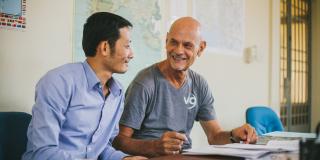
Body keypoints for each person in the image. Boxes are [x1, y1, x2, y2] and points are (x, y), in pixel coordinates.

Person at [113, 17, 258, 157]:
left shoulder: (199, 84)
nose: (178, 51)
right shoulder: (145, 83)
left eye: (187, 45)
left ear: (201, 48)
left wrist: (234, 135)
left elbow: (214, 136)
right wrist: (154, 146)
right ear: (166, 41)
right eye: (173, 42)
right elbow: (119, 141)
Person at [22, 12, 146, 160]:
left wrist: (124, 158)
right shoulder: (58, 82)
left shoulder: (117, 92)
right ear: (105, 47)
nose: (131, 54)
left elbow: (101, 148)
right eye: (127, 46)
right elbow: (42, 152)